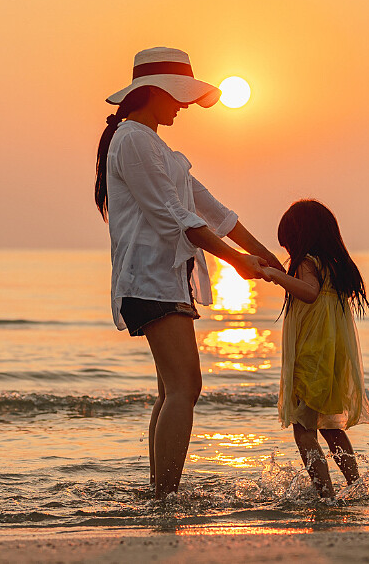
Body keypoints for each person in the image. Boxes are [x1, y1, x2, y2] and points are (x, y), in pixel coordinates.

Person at [94, 46, 284, 499]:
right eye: (178, 94)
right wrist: (238, 263)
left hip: (167, 278)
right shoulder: (134, 139)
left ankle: (159, 493)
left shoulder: (157, 146)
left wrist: (268, 256)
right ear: (154, 91)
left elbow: (213, 210)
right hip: (150, 279)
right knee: (185, 387)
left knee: (172, 391)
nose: (183, 104)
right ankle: (165, 496)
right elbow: (174, 217)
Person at [262, 199, 369, 498]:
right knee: (331, 428)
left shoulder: (307, 263)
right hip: (334, 358)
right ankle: (356, 486)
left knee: (303, 427)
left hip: (312, 357)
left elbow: (311, 294)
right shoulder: (336, 267)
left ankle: (325, 494)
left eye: (289, 244)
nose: (289, 253)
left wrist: (276, 276)